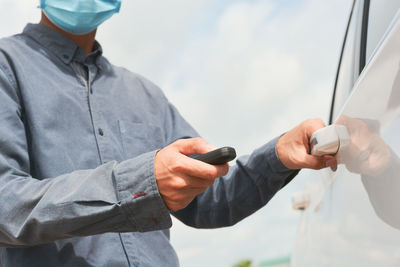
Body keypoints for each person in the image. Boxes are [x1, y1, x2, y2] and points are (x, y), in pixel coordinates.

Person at [0, 1, 336, 266]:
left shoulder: (144, 94)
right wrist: (140, 183)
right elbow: (6, 205)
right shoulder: (7, 66)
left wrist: (278, 155)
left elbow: (212, 202)